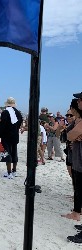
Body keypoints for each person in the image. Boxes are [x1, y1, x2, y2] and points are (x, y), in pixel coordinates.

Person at [61, 97, 82, 243]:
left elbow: (70, 135)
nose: (79, 101)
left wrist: (73, 135)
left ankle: (76, 213)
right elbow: (67, 136)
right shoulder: (78, 120)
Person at [0, 97, 23, 179]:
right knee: (14, 152)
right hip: (15, 135)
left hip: (6, 136)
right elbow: (19, 123)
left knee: (6, 153)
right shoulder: (18, 112)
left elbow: (2, 125)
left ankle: (9, 172)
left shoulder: (5, 112)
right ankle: (14, 171)